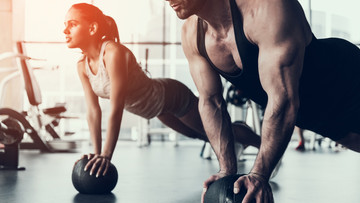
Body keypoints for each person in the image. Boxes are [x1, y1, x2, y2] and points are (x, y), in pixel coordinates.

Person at [166, 0, 360, 203]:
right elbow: (211, 102)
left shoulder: (267, 8)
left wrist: (259, 175)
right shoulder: (192, 34)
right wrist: (227, 171)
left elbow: (283, 98)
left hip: (348, 84)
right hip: (317, 117)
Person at [63, 4, 261, 178]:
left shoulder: (113, 52)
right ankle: (238, 141)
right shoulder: (82, 66)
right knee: (200, 135)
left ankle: (261, 145)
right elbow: (93, 111)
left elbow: (116, 107)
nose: (65, 30)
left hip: (170, 96)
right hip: (156, 109)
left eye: (72, 24)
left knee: (213, 132)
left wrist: (106, 156)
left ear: (92, 27)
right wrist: (97, 154)